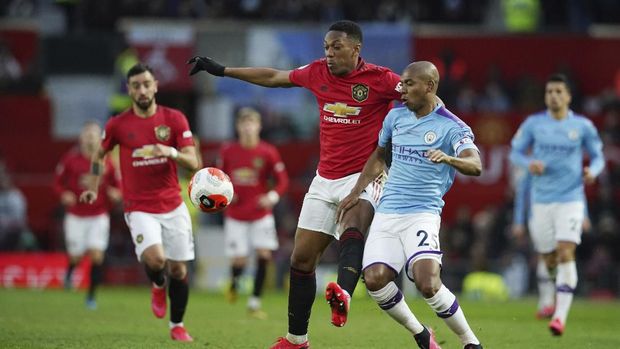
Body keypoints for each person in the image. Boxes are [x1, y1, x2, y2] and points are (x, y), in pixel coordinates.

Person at [188, 20, 408, 349]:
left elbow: (421, 94)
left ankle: (344, 294)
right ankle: (296, 340)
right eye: (326, 48)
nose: (329, 54)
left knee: (354, 223)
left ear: (356, 49)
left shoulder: (382, 80)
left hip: (365, 175)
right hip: (324, 179)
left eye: (336, 47)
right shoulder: (318, 72)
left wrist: (440, 126)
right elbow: (274, 77)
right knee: (300, 260)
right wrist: (222, 71)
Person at [338, 61, 484, 349]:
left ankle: (470, 342)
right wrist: (357, 191)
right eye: (402, 84)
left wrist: (449, 159)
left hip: (422, 213)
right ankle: (421, 334)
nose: (402, 90)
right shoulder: (395, 118)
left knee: (427, 283)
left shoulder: (452, 126)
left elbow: (476, 165)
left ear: (429, 86)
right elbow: (379, 155)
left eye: (409, 84)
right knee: (375, 278)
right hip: (388, 212)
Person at [80, 63, 200, 342]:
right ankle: (158, 284)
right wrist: (94, 188)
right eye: (136, 86)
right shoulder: (118, 124)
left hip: (172, 205)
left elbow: (193, 162)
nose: (142, 90)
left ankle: (177, 325)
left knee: (179, 269)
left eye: (147, 84)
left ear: (156, 85)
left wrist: (168, 151)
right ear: (129, 90)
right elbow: (99, 155)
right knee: (157, 259)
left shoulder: (174, 119)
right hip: (139, 206)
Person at [509, 73, 604, 336]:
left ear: (568, 96)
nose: (554, 95)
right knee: (549, 258)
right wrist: (530, 164)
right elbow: (514, 152)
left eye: (559, 91)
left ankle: (559, 317)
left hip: (571, 200)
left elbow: (598, 157)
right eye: (550, 91)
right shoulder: (533, 125)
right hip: (541, 202)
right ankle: (549, 298)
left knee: (565, 252)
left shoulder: (583, 126)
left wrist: (592, 172)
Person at [217, 107, 290, 319]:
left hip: (261, 213)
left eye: (252, 123)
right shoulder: (227, 151)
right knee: (239, 261)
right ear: (238, 127)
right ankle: (234, 282)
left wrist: (272, 197)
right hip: (236, 214)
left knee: (264, 255)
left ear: (259, 126)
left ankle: (254, 302)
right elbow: (218, 178)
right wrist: (227, 194)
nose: (248, 127)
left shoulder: (268, 152)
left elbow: (283, 180)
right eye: (244, 123)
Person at [54, 121, 121, 309]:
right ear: (81, 137)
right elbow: (57, 183)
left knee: (97, 255)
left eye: (94, 134)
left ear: (100, 137)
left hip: (99, 215)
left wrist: (116, 194)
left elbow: (119, 186)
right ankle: (70, 271)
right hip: (76, 214)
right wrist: (63, 194)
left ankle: (91, 296)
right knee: (76, 255)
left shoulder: (107, 161)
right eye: (88, 134)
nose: (91, 138)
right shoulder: (70, 159)